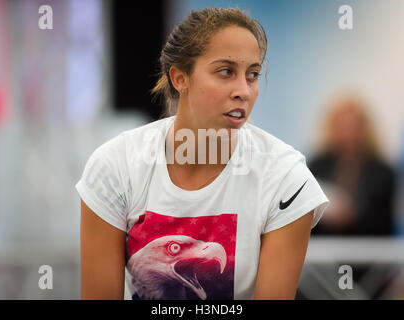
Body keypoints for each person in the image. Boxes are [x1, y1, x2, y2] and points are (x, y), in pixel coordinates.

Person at [76, 7, 329, 300]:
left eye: (253, 75)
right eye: (225, 72)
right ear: (180, 78)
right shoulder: (115, 166)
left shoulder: (286, 178)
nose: (243, 91)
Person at [309, 94, 396, 236]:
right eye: (342, 126)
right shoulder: (317, 166)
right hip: (323, 251)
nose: (348, 133)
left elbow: (384, 222)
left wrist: (352, 216)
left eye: (353, 126)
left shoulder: (383, 172)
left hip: (371, 251)